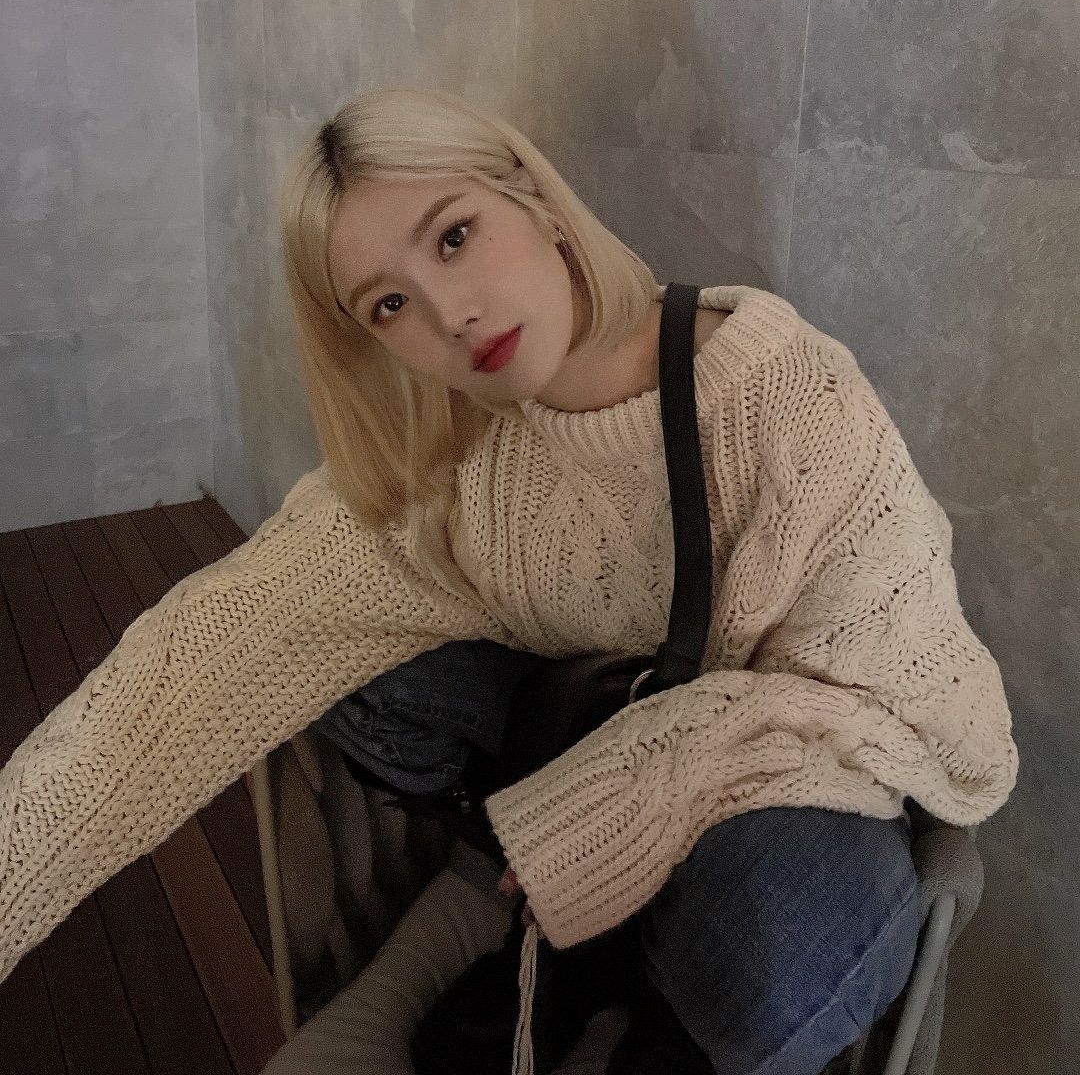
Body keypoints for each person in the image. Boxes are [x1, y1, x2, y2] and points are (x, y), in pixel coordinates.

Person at [0, 86, 1018, 1075]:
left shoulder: (791, 400)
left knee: (787, 949)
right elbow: (181, 679)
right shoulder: (454, 463)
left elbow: (926, 724)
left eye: (454, 236)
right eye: (389, 303)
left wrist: (628, 794)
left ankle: (642, 979)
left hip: (800, 777)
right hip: (594, 712)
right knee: (341, 672)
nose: (450, 314)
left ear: (533, 198)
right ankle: (573, 923)